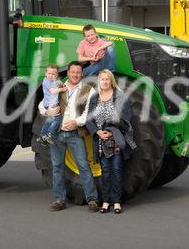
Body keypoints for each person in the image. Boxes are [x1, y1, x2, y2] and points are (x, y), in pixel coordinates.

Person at [38, 61, 100, 212]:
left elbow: (89, 113)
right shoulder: (58, 87)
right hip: (57, 133)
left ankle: (92, 199)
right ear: (68, 73)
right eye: (73, 72)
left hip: (74, 133)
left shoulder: (88, 90)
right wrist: (48, 112)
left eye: (78, 72)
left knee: (84, 166)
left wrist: (76, 122)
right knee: (57, 167)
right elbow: (42, 104)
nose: (75, 75)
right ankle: (60, 199)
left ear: (82, 74)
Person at [86, 69, 136, 214]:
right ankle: (106, 202)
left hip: (116, 139)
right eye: (102, 79)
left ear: (111, 81)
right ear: (99, 81)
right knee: (105, 172)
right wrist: (97, 132)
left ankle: (117, 202)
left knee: (116, 170)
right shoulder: (94, 97)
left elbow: (126, 117)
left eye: (107, 79)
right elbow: (89, 120)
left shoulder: (119, 96)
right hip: (101, 140)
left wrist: (113, 129)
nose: (105, 82)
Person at [37, 64, 67, 147]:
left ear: (56, 75)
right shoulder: (46, 81)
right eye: (49, 73)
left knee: (49, 120)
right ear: (46, 73)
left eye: (53, 74)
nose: (51, 75)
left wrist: (61, 84)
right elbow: (53, 91)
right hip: (50, 104)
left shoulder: (53, 81)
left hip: (51, 103)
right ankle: (50, 133)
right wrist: (62, 89)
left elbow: (58, 82)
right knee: (58, 119)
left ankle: (42, 135)